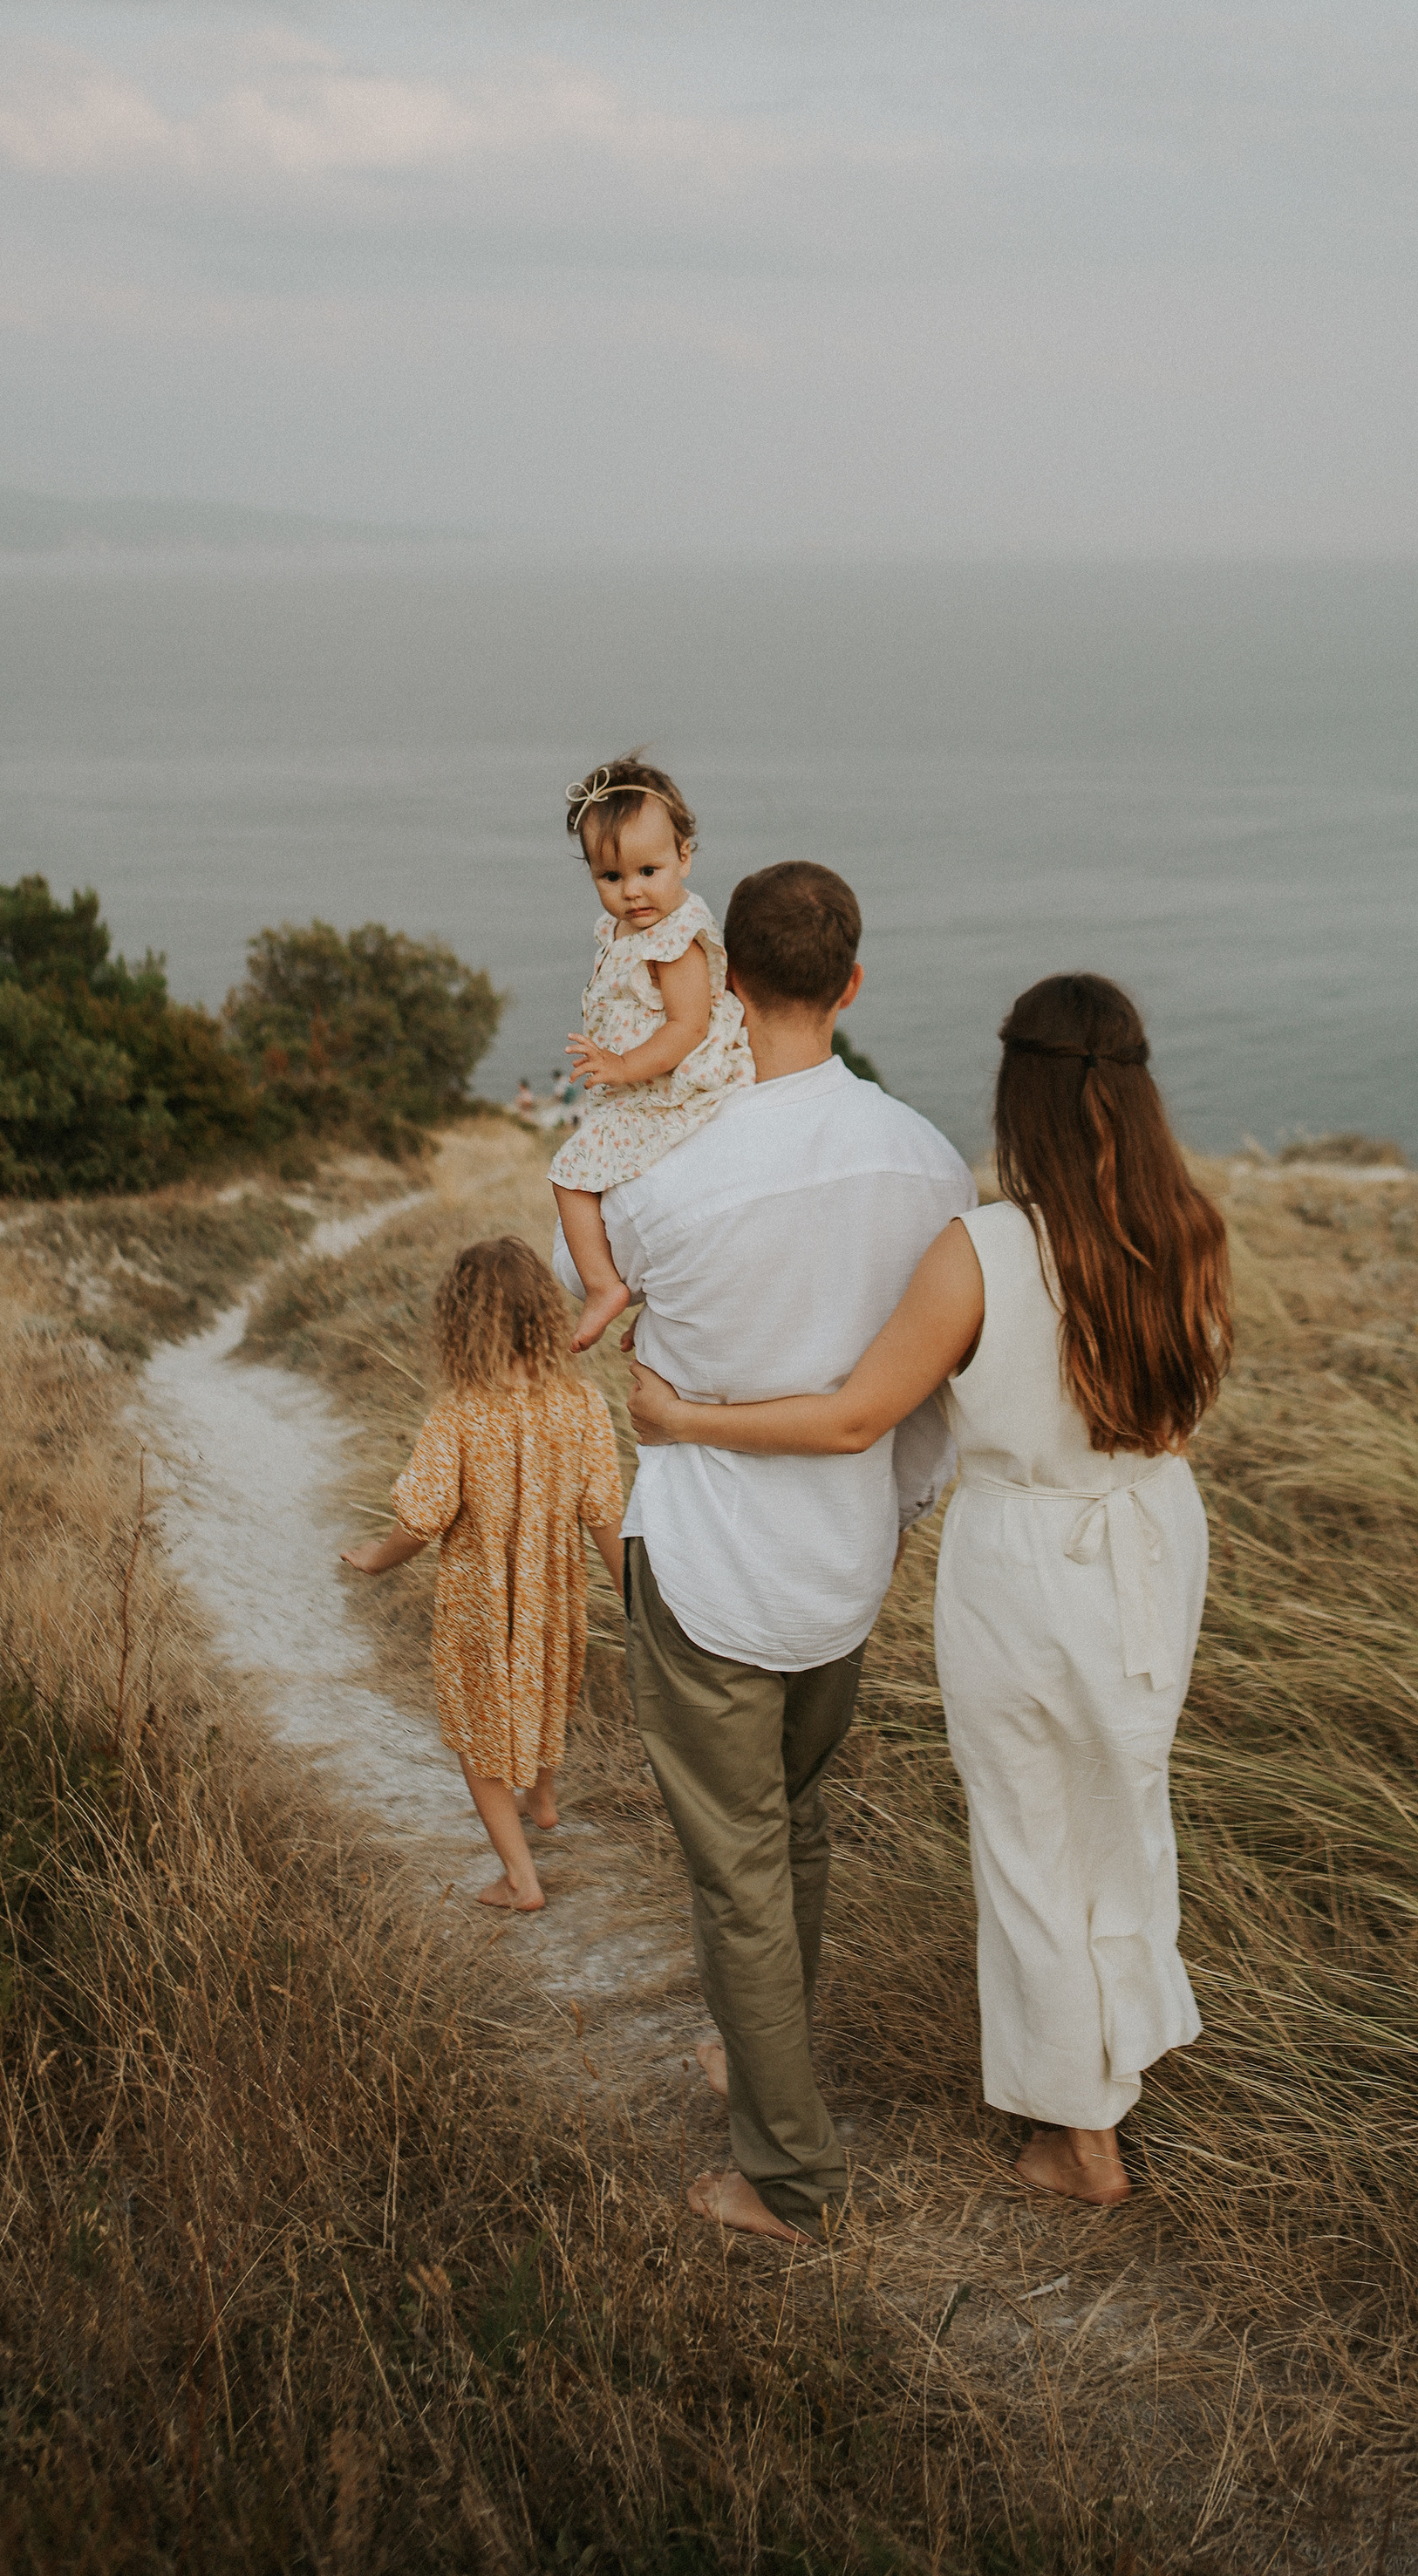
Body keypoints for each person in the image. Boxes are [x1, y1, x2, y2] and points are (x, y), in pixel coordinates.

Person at [628, 971, 1231, 2208]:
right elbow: (1184, 1404)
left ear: (1020, 1092)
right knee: (1124, 1813)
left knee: (1031, 1842)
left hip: (1029, 1558)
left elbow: (857, 1417)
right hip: (1154, 1541)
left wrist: (687, 1413)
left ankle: (1078, 2140)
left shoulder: (988, 1251)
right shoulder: (1191, 1233)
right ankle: (1105, 2088)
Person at [554, 860, 975, 2244]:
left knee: (737, 1863)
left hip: (709, 1565)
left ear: (727, 980)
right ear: (852, 986)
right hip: (842, 1567)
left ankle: (785, 2174)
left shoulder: (671, 1179)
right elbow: (931, 1386)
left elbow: (604, 1307)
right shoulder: (929, 1161)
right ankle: (756, 2048)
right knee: (790, 1827)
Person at [342, 1236, 626, 1914]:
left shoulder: (460, 1415)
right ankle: (546, 1800)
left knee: (479, 1734)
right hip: (555, 1600)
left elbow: (424, 1518)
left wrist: (376, 1559)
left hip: (480, 1606)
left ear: (460, 1322)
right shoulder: (582, 1405)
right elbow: (604, 1513)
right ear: (545, 1315)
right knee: (547, 1692)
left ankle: (521, 1880)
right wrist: (637, 1600)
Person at [549, 753, 755, 1352]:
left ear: (684, 857)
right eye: (611, 878)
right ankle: (660, 1303)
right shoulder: (626, 929)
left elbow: (686, 1028)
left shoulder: (675, 940)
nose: (633, 892)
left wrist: (619, 1066)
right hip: (645, 1082)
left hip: (675, 1086)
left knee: (570, 1173)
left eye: (648, 870)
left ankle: (603, 1286)